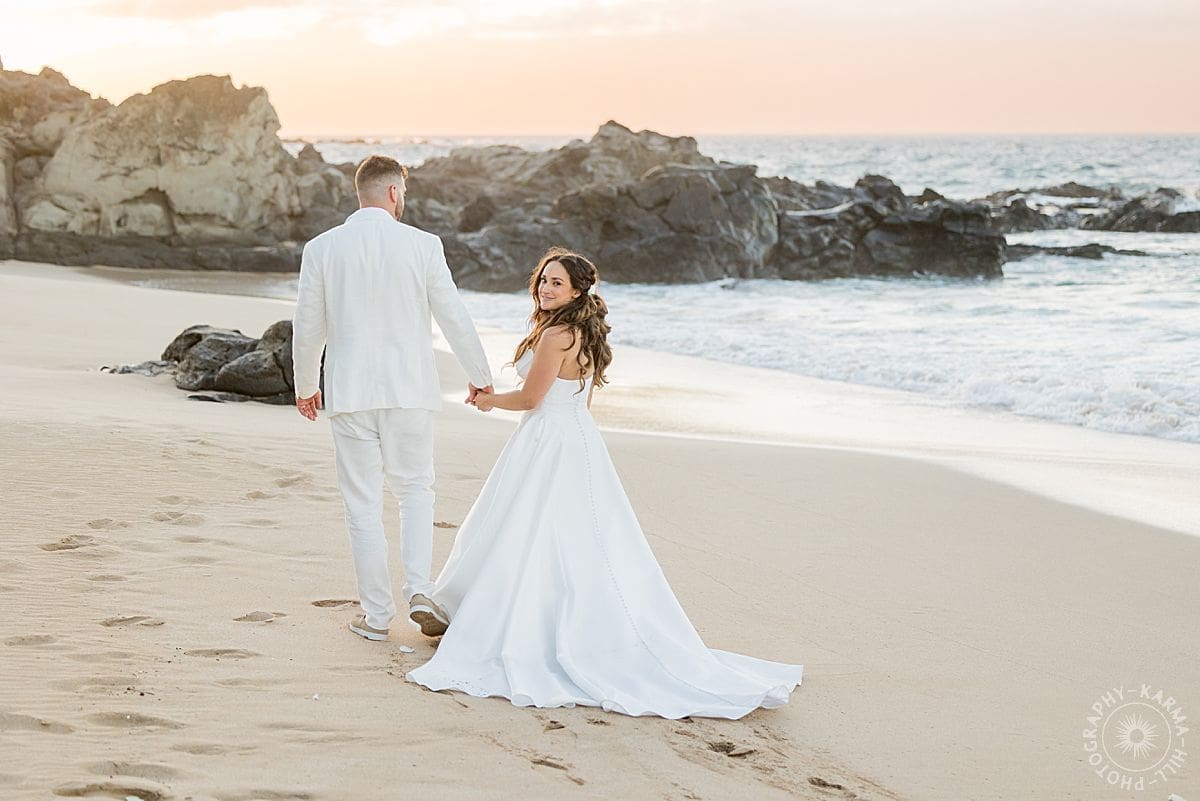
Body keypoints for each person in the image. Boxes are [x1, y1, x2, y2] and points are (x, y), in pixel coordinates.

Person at [406, 248, 803, 720]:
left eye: (556, 283)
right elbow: (574, 399)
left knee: (528, 531)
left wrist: (489, 402)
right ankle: (474, 610)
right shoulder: (583, 331)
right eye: (543, 280)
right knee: (564, 536)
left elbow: (533, 399)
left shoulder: (556, 335)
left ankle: (490, 619)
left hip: (548, 441)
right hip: (576, 440)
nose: (546, 288)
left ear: (577, 291)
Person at [292, 155, 493, 643]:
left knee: (361, 505)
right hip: (409, 390)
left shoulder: (322, 248)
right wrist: (480, 377)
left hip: (350, 392)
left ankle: (377, 617)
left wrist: (305, 385)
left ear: (359, 193)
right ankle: (420, 590)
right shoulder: (423, 245)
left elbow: (308, 323)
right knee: (415, 491)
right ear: (394, 193)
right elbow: (452, 313)